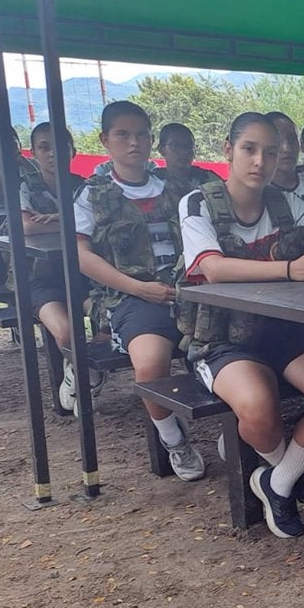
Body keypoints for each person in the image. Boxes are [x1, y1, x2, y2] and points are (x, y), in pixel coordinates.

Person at [177, 112, 304, 538]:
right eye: (249, 149)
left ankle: (279, 479)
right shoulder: (199, 203)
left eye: (270, 152)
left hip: (284, 330)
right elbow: (210, 268)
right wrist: (290, 269)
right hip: (221, 337)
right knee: (256, 406)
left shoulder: (286, 202)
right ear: (228, 151)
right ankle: (287, 465)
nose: (260, 161)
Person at [74, 101, 205, 482]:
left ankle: (237, 434)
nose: (134, 143)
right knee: (150, 363)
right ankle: (173, 439)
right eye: (123, 135)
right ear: (105, 140)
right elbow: (81, 256)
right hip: (129, 297)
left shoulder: (180, 188)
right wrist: (138, 288)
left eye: (142, 134)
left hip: (189, 292)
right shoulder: (92, 195)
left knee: (232, 351)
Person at [11, 122, 90, 413]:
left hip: (84, 276)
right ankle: (77, 375)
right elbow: (27, 226)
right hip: (40, 280)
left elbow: (98, 222)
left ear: (73, 151)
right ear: (34, 152)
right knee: (67, 332)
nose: (52, 153)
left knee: (108, 320)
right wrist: (71, 219)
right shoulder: (23, 186)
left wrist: (55, 217)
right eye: (44, 147)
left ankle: (83, 374)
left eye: (60, 146)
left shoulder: (85, 186)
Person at [154, 123, 220, 216]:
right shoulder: (153, 183)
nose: (183, 151)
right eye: (175, 145)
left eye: (188, 146)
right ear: (161, 149)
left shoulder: (209, 180)